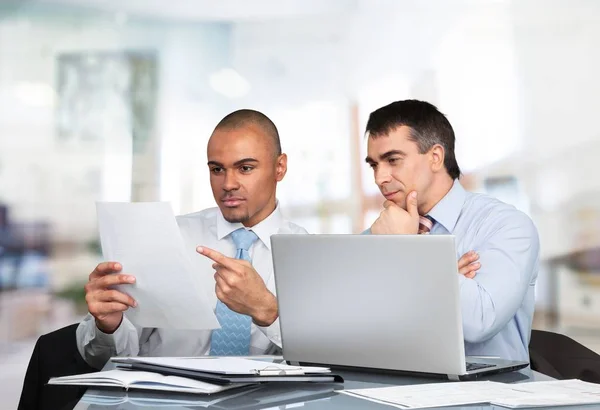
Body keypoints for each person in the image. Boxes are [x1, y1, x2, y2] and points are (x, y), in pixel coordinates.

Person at [76, 109, 306, 369]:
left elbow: (326, 357)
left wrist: (268, 312)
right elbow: (101, 356)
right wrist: (109, 325)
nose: (228, 183)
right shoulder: (166, 236)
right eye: (217, 169)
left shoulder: (308, 255)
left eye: (245, 168)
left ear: (280, 167)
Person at [364, 99, 539, 362]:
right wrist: (445, 279)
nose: (380, 178)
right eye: (374, 165)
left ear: (435, 157)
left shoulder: (506, 226)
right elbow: (365, 331)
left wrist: (409, 249)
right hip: (395, 389)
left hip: (488, 396)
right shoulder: (376, 236)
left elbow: (479, 321)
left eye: (392, 160)